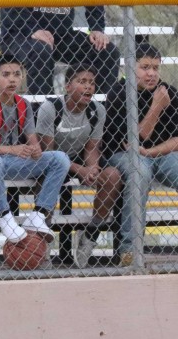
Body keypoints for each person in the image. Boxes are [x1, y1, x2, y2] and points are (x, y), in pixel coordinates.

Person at [103, 42, 178, 266]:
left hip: (161, 153)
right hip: (125, 155)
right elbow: (133, 141)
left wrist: (152, 151)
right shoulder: (119, 93)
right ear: (129, 69)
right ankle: (130, 251)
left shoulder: (169, 91)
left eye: (156, 68)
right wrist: (157, 107)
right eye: (145, 67)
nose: (151, 73)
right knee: (139, 175)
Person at [0, 0, 120, 98]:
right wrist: (32, 29)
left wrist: (96, 28)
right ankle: (44, 115)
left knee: (107, 51)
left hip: (62, 35)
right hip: (20, 34)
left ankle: (100, 113)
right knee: (41, 51)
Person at [0, 51, 70, 247]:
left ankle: (37, 216)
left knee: (59, 158)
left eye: (17, 74)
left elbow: (32, 141)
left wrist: (35, 150)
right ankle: (5, 217)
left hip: (11, 162)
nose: (12, 79)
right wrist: (13, 149)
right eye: (6, 75)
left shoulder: (24, 105)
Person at [36, 63, 122, 267]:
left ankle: (90, 235)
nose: (88, 87)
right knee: (46, 178)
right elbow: (49, 153)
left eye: (92, 83)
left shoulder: (97, 111)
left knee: (112, 176)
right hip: (52, 162)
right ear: (67, 86)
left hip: (79, 160)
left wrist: (91, 168)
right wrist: (79, 169)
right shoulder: (50, 108)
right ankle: (43, 241)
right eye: (82, 81)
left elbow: (92, 148)